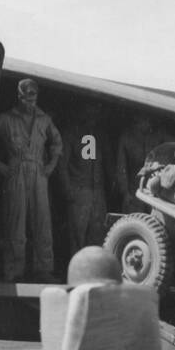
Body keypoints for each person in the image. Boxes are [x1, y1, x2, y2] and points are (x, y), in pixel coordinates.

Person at [0, 78, 63, 281]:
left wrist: (50, 166)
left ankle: (43, 269)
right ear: (19, 96)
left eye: (33, 96)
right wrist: (0, 166)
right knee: (16, 222)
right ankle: (14, 271)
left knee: (43, 222)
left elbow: (57, 143)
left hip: (38, 171)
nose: (30, 101)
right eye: (26, 96)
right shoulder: (6, 119)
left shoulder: (44, 119)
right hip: (16, 169)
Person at [59, 102, 109, 252]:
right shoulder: (71, 133)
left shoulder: (100, 135)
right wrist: (68, 189)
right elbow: (62, 165)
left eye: (96, 111)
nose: (92, 114)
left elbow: (108, 162)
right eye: (89, 110)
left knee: (98, 233)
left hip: (98, 192)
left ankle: (94, 270)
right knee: (77, 234)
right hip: (79, 190)